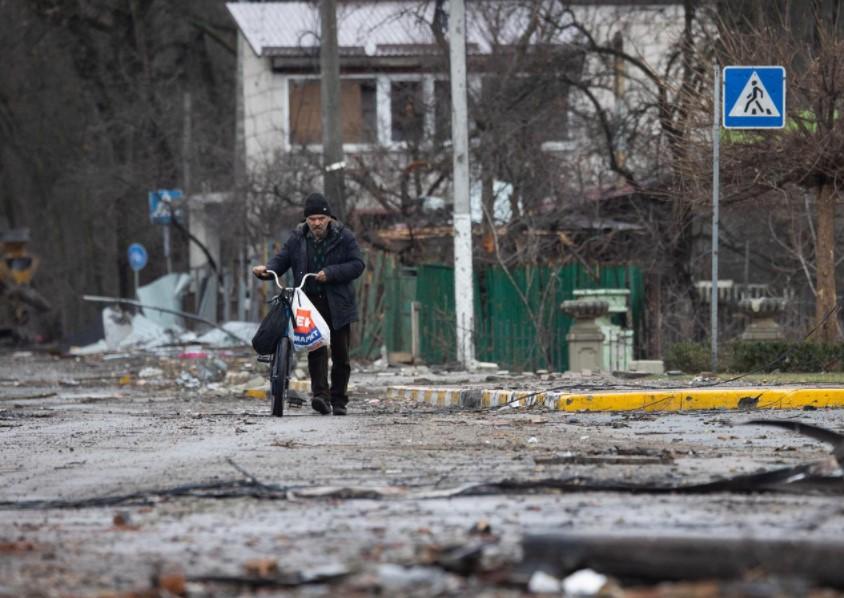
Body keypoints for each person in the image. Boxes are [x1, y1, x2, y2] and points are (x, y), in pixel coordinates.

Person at [252, 193, 365, 416]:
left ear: (329, 219)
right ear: (306, 220)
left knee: (341, 353)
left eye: (320, 219)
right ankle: (321, 397)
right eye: (312, 219)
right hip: (310, 302)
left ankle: (339, 400)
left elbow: (357, 265)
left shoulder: (344, 237)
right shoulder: (297, 238)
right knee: (316, 349)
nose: (316, 223)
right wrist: (267, 270)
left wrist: (330, 273)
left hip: (338, 302)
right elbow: (282, 259)